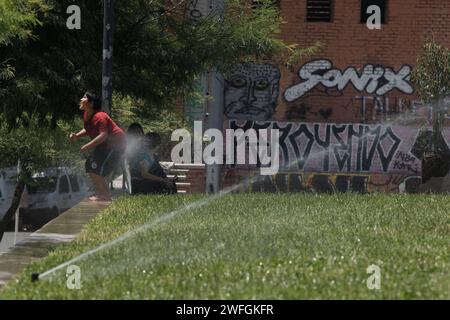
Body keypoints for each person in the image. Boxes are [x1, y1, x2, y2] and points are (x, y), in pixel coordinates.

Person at [69, 91, 126, 201]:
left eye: (84, 97)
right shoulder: (87, 115)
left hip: (116, 145)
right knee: (92, 166)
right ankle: (104, 195)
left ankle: (105, 195)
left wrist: (87, 146)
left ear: (91, 103)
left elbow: (103, 135)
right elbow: (89, 128)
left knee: (93, 166)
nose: (81, 99)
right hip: (106, 146)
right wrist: (77, 135)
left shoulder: (100, 116)